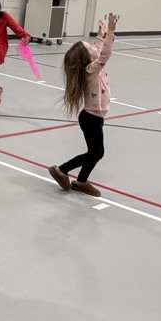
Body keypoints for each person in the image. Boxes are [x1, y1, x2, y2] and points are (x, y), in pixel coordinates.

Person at [49, 13, 119, 197]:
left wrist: (99, 35)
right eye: (91, 48)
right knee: (95, 153)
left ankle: (80, 181)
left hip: (94, 119)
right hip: (91, 119)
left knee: (97, 152)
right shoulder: (91, 69)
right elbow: (105, 54)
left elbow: (97, 48)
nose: (95, 47)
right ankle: (62, 170)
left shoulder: (89, 65)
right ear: (87, 58)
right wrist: (111, 32)